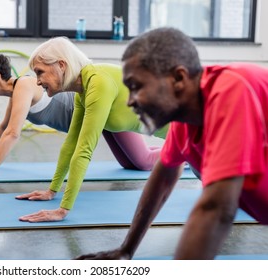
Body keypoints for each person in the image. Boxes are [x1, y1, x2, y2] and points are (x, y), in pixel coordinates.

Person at [76, 27, 268, 260]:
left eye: (136, 87)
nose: (130, 102)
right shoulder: (185, 121)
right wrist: (126, 250)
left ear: (178, 78)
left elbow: (216, 208)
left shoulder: (233, 90)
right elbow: (162, 180)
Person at [16, 37, 167, 222]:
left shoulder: (98, 82)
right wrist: (52, 190)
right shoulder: (83, 91)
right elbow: (71, 143)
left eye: (40, 72)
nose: (37, 81)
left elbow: (84, 150)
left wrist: (62, 210)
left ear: (61, 65)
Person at [0, 53, 162, 182]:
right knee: (130, 164)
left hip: (105, 108)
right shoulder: (17, 93)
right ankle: (175, 150)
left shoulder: (25, 85)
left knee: (143, 162)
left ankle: (185, 150)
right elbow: (3, 127)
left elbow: (12, 133)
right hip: (100, 118)